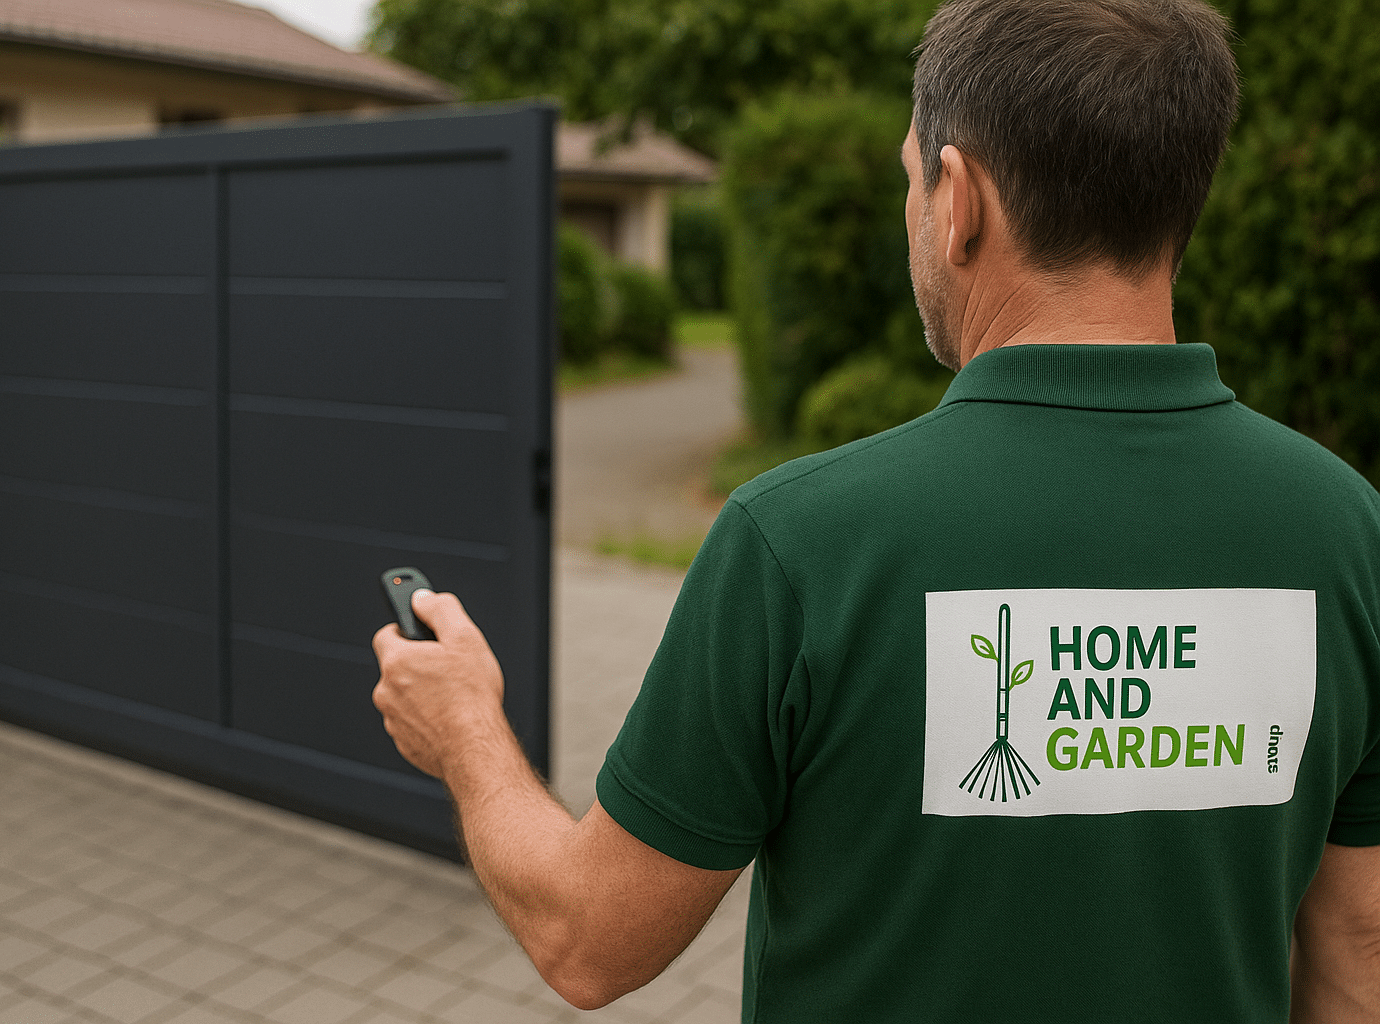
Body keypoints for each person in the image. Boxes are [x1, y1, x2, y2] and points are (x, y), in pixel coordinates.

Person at [372, 0, 1380, 1019]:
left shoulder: (800, 543)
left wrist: (464, 727)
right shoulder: (1349, 533)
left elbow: (589, 940)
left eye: (912, 179)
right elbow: (1355, 953)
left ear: (959, 198)